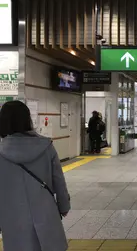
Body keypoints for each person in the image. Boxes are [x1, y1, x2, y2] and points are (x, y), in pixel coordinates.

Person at [0, 101, 70, 251]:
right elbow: (59, 180)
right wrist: (64, 205)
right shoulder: (46, 146)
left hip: (12, 217)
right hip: (45, 214)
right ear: (27, 119)